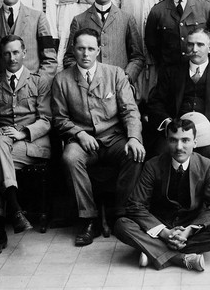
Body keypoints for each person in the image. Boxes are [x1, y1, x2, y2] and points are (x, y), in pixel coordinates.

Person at [51, 28, 145, 247]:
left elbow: (130, 111)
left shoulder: (115, 74)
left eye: (91, 49)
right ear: (73, 49)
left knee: (134, 154)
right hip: (82, 140)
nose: (85, 54)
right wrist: (79, 134)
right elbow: (59, 118)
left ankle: (119, 212)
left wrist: (134, 137)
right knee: (70, 158)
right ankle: (88, 219)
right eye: (81, 48)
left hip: (113, 137)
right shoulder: (62, 80)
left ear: (98, 51)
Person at [114, 118, 210, 272]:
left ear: (195, 143)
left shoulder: (208, 166)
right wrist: (164, 232)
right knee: (122, 225)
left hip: (190, 226)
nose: (179, 147)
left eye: (185, 140)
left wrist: (189, 230)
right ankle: (182, 258)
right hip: (159, 225)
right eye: (173, 140)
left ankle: (153, 252)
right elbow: (135, 205)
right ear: (166, 141)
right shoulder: (153, 165)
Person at [0, 35, 52, 258]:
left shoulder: (39, 82)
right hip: (3, 142)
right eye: (7, 53)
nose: (12, 57)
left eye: (16, 52)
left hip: (32, 145)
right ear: (1, 56)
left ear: (24, 53)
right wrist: (1, 132)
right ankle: (14, 210)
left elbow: (47, 119)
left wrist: (22, 133)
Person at [146, 28, 210, 181]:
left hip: (208, 133)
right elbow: (155, 102)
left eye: (200, 44)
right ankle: (163, 201)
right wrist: (167, 123)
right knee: (160, 154)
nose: (194, 49)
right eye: (190, 45)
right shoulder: (171, 71)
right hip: (176, 131)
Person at [62, 0, 145, 87]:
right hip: (88, 88)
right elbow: (69, 58)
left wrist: (126, 77)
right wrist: (83, 78)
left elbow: (137, 57)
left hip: (118, 87)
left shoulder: (126, 19)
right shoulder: (79, 20)